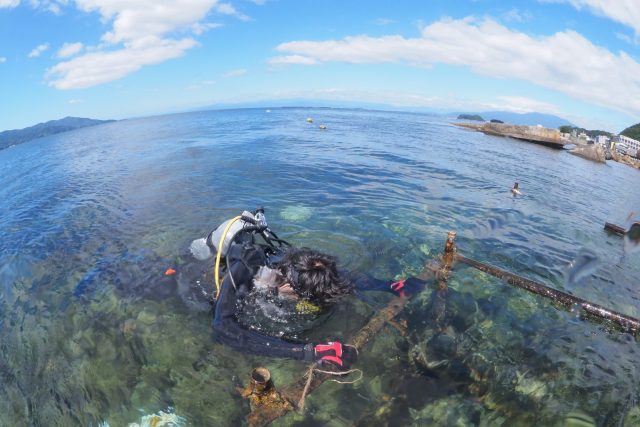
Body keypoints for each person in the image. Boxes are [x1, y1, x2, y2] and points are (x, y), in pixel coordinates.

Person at [196, 209, 427, 369]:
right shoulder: (242, 273)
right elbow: (223, 329)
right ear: (288, 286)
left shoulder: (296, 263)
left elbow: (343, 277)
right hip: (208, 273)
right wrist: (310, 352)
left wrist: (390, 286)